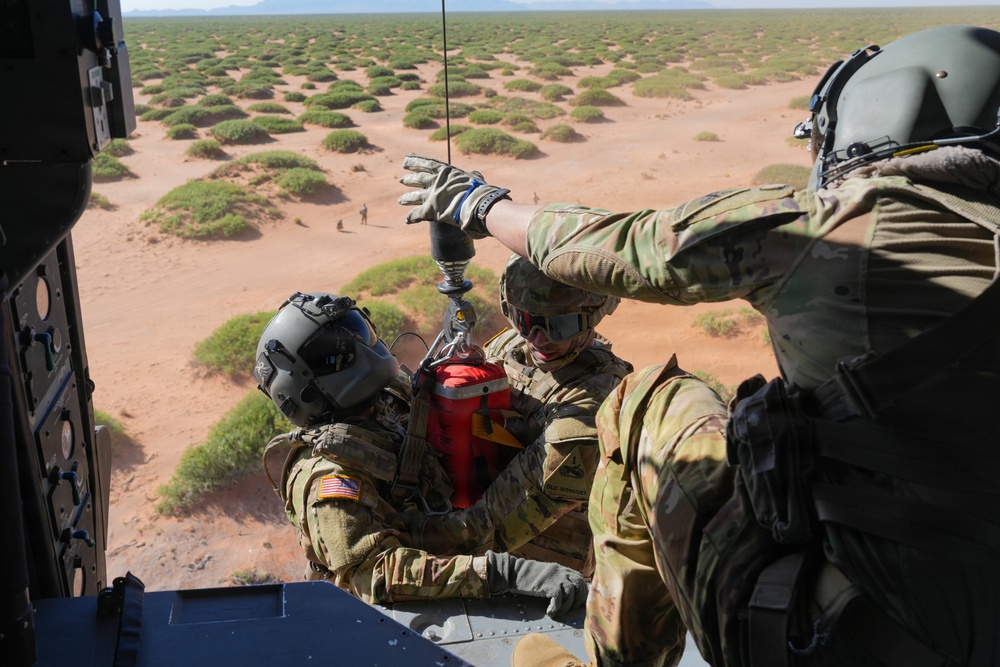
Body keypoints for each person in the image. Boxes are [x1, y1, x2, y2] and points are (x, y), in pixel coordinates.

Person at [398, 25, 1000, 666]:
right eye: (529, 322)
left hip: (836, 636)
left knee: (645, 399)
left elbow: (620, 248)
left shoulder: (832, 227)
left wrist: (477, 203)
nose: (543, 337)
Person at [256, 291, 588, 616]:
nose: (363, 347)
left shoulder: (381, 401)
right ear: (301, 387)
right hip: (399, 609)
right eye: (336, 354)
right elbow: (377, 575)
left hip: (450, 527)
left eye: (358, 331)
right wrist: (507, 574)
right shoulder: (331, 475)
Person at [403, 254, 633, 575]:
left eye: (560, 326)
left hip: (547, 565)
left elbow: (496, 522)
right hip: (476, 522)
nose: (539, 340)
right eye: (525, 320)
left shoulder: (590, 404)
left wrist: (408, 537)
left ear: (593, 318)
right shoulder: (514, 344)